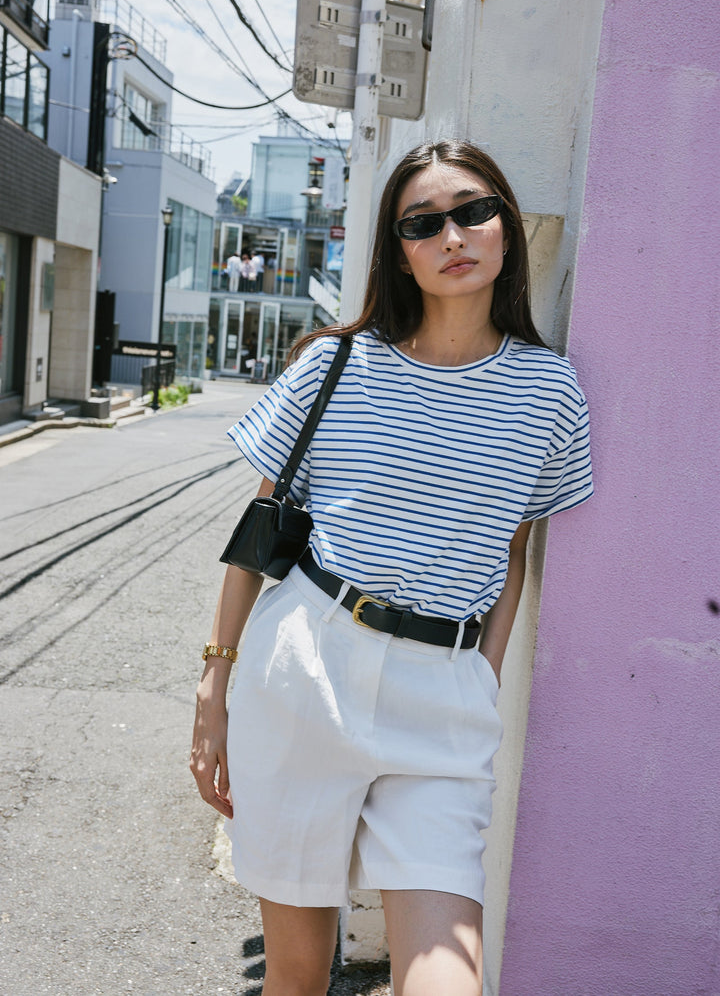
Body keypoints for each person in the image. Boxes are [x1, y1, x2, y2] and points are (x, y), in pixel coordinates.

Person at [191, 140, 593, 996]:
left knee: (448, 977)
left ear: (508, 229)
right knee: (297, 974)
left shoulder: (550, 392)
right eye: (424, 222)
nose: (454, 234)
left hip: (443, 700)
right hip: (305, 666)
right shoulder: (334, 365)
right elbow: (258, 532)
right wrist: (213, 683)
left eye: (474, 210)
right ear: (398, 250)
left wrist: (479, 677)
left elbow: (512, 552)